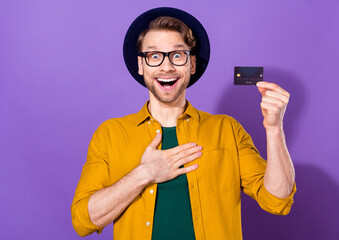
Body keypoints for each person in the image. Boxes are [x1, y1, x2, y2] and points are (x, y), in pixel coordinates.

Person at [71, 7, 296, 240]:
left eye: (177, 55)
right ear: (141, 66)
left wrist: (274, 128)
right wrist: (143, 174)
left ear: (192, 65)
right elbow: (82, 221)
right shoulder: (110, 134)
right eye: (154, 56)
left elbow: (277, 200)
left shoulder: (227, 129)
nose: (166, 67)